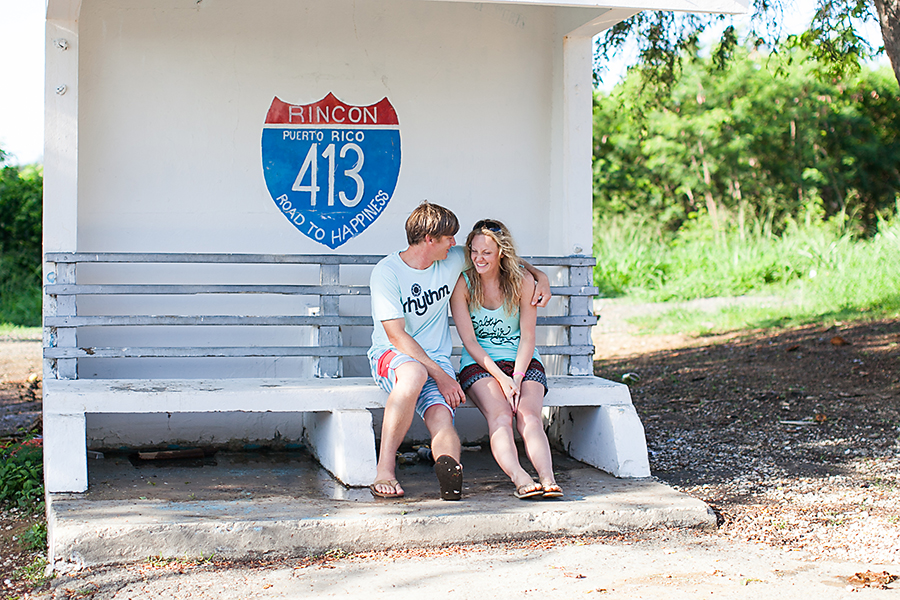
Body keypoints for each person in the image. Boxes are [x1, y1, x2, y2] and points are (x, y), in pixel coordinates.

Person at [367, 202, 551, 500]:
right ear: (429, 239)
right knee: (413, 374)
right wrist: (441, 375)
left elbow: (501, 255)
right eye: (449, 238)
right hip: (393, 356)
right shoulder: (387, 273)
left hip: (437, 361)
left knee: (441, 414)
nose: (456, 244)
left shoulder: (450, 259)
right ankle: (385, 470)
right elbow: (397, 336)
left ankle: (449, 471)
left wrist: (539, 276)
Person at [449, 219, 563, 499]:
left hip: (522, 363)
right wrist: (502, 379)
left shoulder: (522, 281)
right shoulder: (463, 284)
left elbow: (527, 337)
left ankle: (548, 479)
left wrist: (518, 378)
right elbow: (470, 342)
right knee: (500, 416)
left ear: (501, 252)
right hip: (480, 365)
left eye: (486, 252)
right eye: (474, 251)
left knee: (529, 417)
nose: (479, 258)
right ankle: (521, 478)